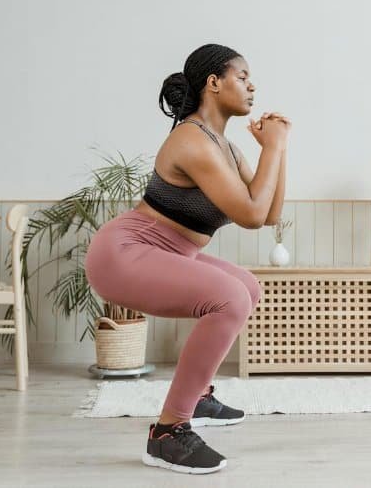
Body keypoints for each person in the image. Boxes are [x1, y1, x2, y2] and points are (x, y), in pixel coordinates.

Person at [85, 43, 290, 475]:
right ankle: (167, 432)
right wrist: (271, 148)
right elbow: (251, 216)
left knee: (246, 288)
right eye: (242, 76)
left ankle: (196, 397)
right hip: (126, 252)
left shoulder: (227, 148)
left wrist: (279, 149)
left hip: (169, 251)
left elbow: (270, 213)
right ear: (213, 83)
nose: (253, 85)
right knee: (230, 298)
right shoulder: (191, 140)